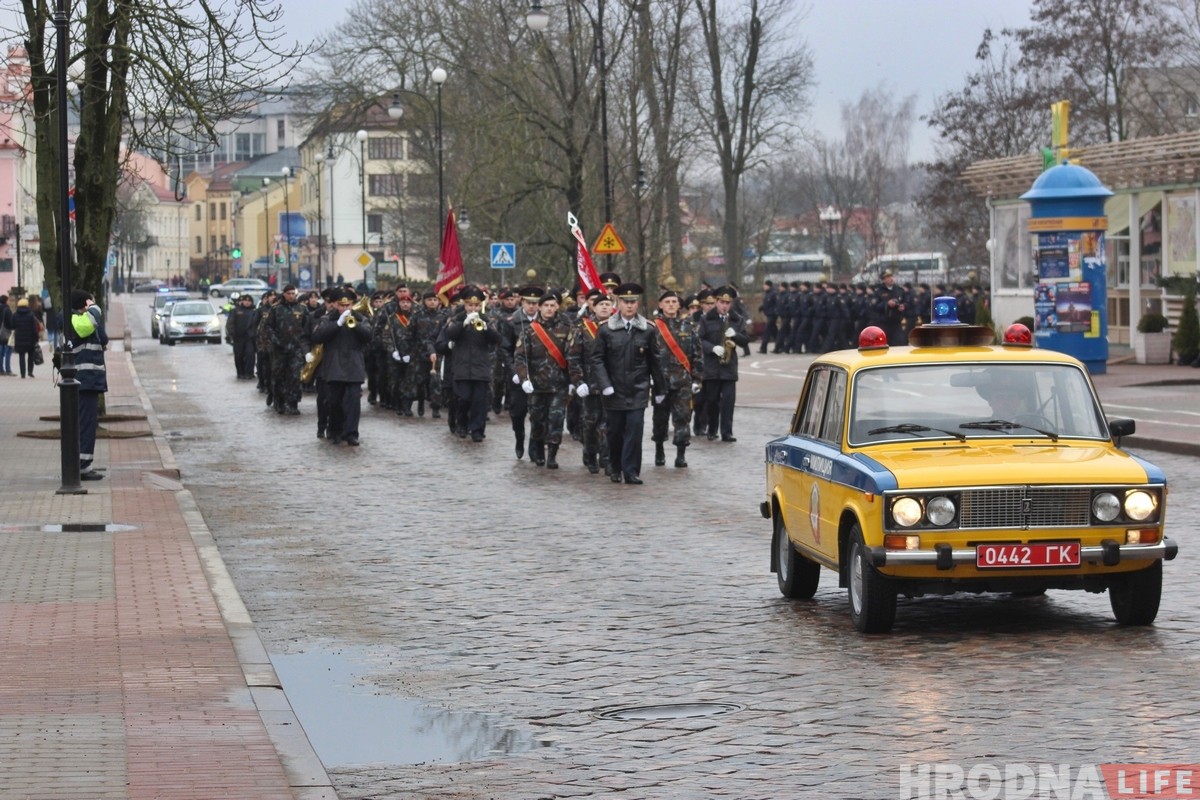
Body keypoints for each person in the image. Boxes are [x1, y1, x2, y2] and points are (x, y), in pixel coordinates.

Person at [589, 282, 663, 485]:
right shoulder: (606, 330)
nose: (629, 306)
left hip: (638, 389)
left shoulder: (647, 329)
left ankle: (631, 471)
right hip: (614, 390)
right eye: (625, 302)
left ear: (637, 303)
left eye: (633, 302)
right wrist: (605, 384)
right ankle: (615, 466)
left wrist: (660, 388)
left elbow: (655, 360)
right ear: (617, 302)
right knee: (615, 432)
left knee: (635, 430)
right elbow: (597, 359)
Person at [514, 291, 571, 467]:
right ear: (540, 307)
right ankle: (538, 449)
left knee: (556, 420)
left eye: (552, 306)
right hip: (537, 384)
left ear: (557, 307)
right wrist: (524, 379)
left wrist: (575, 380)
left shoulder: (566, 327)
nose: (549, 309)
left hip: (559, 384)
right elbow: (520, 356)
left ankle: (552, 455)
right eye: (545, 305)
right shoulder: (530, 330)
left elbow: (572, 355)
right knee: (537, 420)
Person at [309, 289, 371, 445]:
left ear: (352, 304)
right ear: (335, 304)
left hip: (354, 364)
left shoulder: (360, 318)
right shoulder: (327, 319)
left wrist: (354, 325)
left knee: (353, 402)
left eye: (347, 305)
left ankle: (351, 433)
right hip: (334, 365)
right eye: (341, 305)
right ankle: (335, 430)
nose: (344, 308)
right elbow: (317, 337)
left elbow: (369, 337)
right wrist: (337, 324)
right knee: (334, 401)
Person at [651, 289, 704, 468]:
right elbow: (645, 356)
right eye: (667, 302)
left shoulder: (688, 327)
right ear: (660, 305)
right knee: (660, 418)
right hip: (660, 382)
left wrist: (697, 379)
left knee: (683, 418)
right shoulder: (653, 327)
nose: (671, 305)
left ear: (679, 305)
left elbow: (697, 355)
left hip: (683, 381)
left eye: (674, 302)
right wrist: (649, 378)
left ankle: (681, 454)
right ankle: (659, 449)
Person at [443, 286, 500, 442]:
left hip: (480, 366)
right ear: (465, 305)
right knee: (463, 399)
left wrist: (487, 327)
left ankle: (477, 430)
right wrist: (463, 324)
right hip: (461, 366)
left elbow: (496, 339)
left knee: (479, 402)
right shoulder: (457, 319)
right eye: (470, 305)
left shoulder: (487, 319)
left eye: (476, 305)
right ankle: (462, 424)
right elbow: (449, 335)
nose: (473, 308)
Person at [568, 287, 613, 475]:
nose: (604, 308)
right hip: (590, 384)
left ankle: (607, 458)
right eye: (600, 304)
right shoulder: (582, 328)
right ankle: (590, 456)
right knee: (590, 423)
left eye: (607, 304)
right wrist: (578, 382)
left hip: (611, 384)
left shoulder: (617, 327)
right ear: (593, 308)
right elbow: (573, 357)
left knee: (609, 424)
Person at [63, 291, 107, 480]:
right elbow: (88, 326)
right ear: (83, 304)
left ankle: (84, 464)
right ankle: (81, 466)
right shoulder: (74, 320)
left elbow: (103, 338)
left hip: (90, 380)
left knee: (88, 424)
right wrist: (94, 307)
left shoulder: (82, 320)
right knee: (84, 424)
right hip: (83, 380)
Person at [699, 285, 749, 442]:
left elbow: (746, 341)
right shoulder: (706, 319)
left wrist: (736, 335)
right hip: (712, 367)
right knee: (712, 401)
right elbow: (699, 340)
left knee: (728, 402)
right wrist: (712, 348)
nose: (724, 306)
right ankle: (712, 429)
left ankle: (727, 432)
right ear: (716, 302)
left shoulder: (737, 320)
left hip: (729, 367)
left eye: (728, 303)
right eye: (721, 302)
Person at [499, 285, 543, 459]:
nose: (531, 306)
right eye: (528, 302)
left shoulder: (545, 320)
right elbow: (505, 349)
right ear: (521, 302)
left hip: (541, 374)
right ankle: (519, 437)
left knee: (538, 414)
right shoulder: (511, 321)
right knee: (518, 412)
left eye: (535, 303)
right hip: (519, 376)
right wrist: (514, 372)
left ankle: (535, 448)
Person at [266, 285, 309, 415]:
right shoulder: (276, 309)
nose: (291, 296)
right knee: (278, 376)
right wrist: (276, 341)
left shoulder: (302, 309)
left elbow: (307, 328)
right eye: (289, 293)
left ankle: (293, 403)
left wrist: (304, 346)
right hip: (280, 349)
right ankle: (279, 402)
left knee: (295, 376)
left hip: (296, 350)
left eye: (293, 293)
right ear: (284, 294)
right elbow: (268, 327)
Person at [226, 293, 259, 379]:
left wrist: (255, 334)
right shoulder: (235, 310)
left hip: (250, 338)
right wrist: (232, 334)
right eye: (245, 300)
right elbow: (230, 323)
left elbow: (257, 324)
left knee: (250, 355)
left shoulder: (255, 311)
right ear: (242, 301)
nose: (247, 302)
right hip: (238, 337)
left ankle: (249, 373)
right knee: (238, 355)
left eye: (249, 301)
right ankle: (240, 373)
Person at [10, 297, 41, 379]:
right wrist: (36, 337)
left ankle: (22, 373)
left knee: (21, 356)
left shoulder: (15, 315)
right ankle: (30, 372)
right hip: (30, 338)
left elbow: (12, 326)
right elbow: (34, 328)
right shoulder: (31, 315)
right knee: (30, 356)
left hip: (19, 339)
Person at [0, 295, 13, 375]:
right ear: (6, 301)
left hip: (0, 333)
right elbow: (10, 322)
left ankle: (1, 370)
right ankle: (8, 369)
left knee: (1, 352)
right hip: (7, 333)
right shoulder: (7, 310)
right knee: (9, 350)